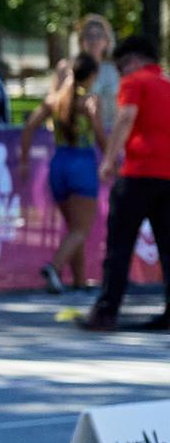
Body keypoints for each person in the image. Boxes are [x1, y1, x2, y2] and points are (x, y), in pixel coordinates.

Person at [82, 34, 170, 331]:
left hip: (137, 174)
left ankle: (106, 311)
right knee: (168, 247)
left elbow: (125, 118)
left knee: (119, 245)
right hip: (167, 177)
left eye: (121, 67)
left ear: (132, 60)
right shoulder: (167, 84)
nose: (120, 73)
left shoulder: (134, 82)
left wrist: (108, 160)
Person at [18, 54, 105, 292]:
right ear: (92, 75)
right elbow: (98, 134)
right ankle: (54, 267)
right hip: (82, 164)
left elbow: (28, 127)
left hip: (58, 165)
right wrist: (110, 160)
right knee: (81, 229)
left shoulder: (55, 99)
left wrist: (24, 160)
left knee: (74, 226)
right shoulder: (88, 101)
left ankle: (79, 280)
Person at [77, 13, 122, 124]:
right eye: (89, 36)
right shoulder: (70, 67)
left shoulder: (117, 69)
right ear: (81, 41)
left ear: (107, 41)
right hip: (84, 132)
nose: (94, 41)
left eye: (99, 36)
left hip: (112, 131)